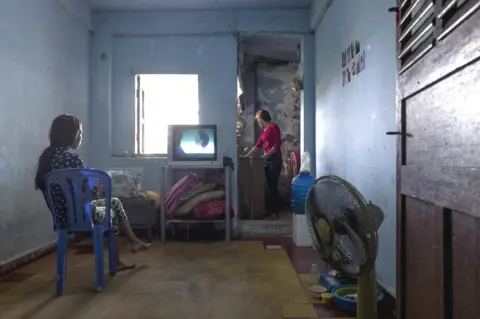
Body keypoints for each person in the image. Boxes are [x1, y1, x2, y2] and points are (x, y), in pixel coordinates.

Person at [34, 114, 151, 271]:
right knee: (110, 210)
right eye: (80, 133)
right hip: (82, 216)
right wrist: (100, 187)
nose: (81, 137)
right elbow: (89, 193)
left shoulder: (46, 159)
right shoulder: (72, 159)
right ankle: (118, 258)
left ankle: (134, 241)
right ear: (70, 134)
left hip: (61, 217)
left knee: (114, 202)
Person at [245, 110, 283, 219]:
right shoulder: (264, 131)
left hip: (274, 160)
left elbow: (276, 146)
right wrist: (247, 156)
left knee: (273, 186)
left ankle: (275, 212)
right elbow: (258, 145)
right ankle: (268, 209)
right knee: (266, 186)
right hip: (267, 159)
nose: (258, 122)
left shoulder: (273, 128)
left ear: (262, 119)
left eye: (258, 120)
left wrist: (264, 157)